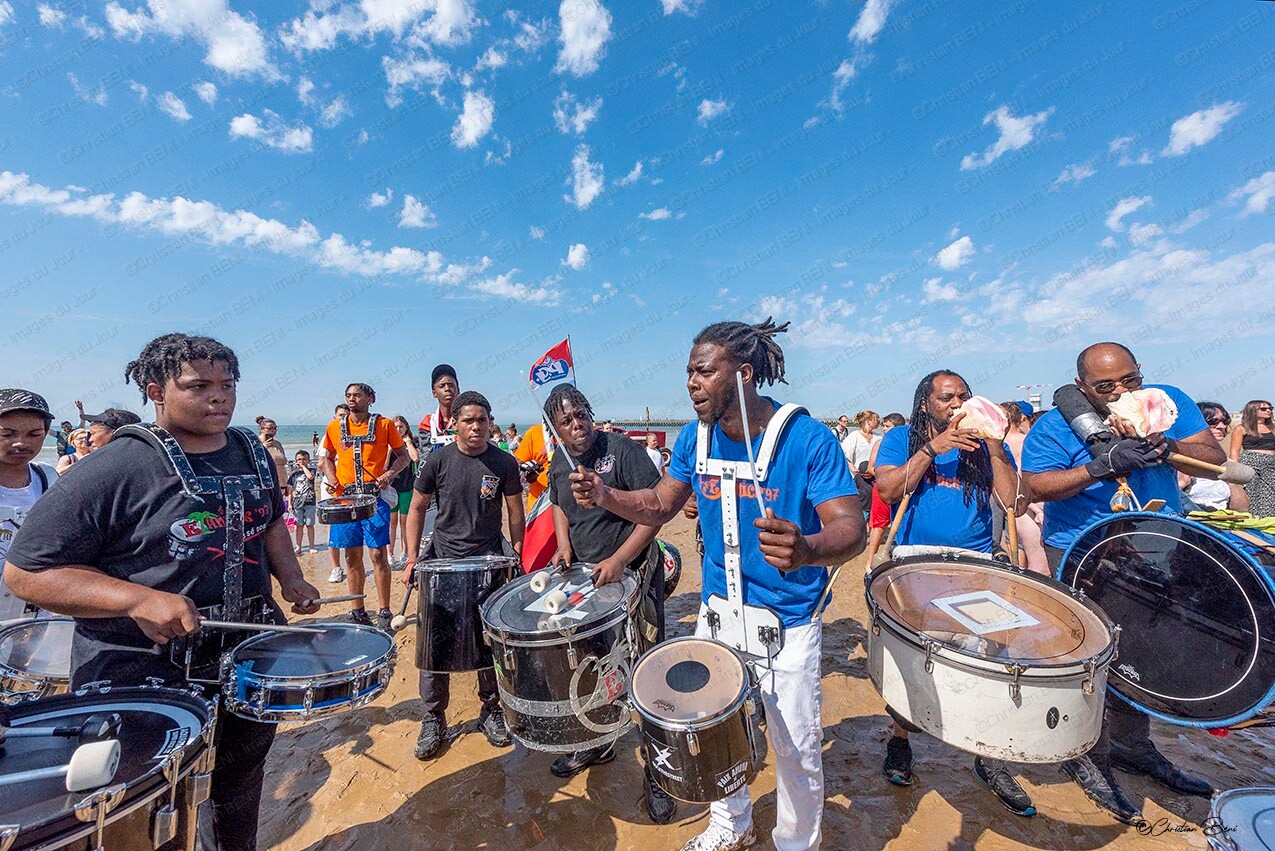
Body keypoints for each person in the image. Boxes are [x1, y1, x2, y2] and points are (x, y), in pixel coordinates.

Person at [3, 333, 321, 851]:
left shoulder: (252, 453)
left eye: (227, 385)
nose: (218, 397)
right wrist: (136, 599)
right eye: (198, 386)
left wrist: (291, 577)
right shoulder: (115, 466)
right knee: (148, 813)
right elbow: (26, 572)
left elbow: (270, 522)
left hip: (247, 656)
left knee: (238, 789)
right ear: (156, 391)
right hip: (142, 674)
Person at [570, 318, 865, 851]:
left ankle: (797, 842)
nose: (691, 382)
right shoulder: (693, 436)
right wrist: (606, 495)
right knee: (711, 733)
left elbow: (852, 528)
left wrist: (807, 549)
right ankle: (731, 825)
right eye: (688, 372)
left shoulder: (807, 438)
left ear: (744, 374)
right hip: (718, 614)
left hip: (787, 623)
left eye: (704, 371)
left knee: (795, 748)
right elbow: (660, 503)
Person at [1021, 341, 1222, 824]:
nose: (1120, 392)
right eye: (1105, 386)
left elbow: (1213, 457)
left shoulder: (1167, 402)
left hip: (1158, 545)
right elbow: (1035, 485)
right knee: (1091, 656)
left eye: (1130, 380)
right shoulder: (1055, 425)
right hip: (1084, 552)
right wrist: (1102, 466)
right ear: (1082, 386)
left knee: (1144, 653)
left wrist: (1168, 447)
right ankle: (1088, 754)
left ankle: (1134, 747)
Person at [873, 371, 1034, 816]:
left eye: (963, 396)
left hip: (976, 568)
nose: (957, 404)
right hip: (914, 565)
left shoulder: (986, 445)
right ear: (926, 403)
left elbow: (1015, 503)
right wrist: (934, 448)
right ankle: (901, 740)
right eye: (947, 398)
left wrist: (996, 447)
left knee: (990, 663)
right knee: (911, 661)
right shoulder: (901, 438)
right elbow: (886, 490)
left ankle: (989, 758)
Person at [542, 383, 676, 824]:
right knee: (591, 669)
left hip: (634, 574)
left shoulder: (623, 451)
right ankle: (596, 744)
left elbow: (655, 513)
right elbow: (559, 505)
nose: (577, 425)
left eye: (581, 414)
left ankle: (658, 774)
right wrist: (563, 545)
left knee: (646, 672)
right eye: (566, 421)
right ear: (556, 429)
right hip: (588, 583)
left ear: (590, 414)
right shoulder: (559, 461)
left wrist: (620, 559)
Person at [402, 391, 524, 761]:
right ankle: (433, 716)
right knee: (433, 642)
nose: (476, 426)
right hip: (442, 561)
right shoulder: (437, 460)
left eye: (482, 420)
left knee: (489, 640)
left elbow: (515, 510)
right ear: (454, 422)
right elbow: (417, 508)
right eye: (468, 420)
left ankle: (491, 709)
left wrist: (516, 552)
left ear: (490, 421)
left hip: (488, 560)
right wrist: (412, 559)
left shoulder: (504, 462)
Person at [320, 383, 410, 629]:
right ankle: (357, 610)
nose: (352, 399)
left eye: (357, 395)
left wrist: (388, 474)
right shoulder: (334, 427)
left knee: (378, 554)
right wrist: (331, 478)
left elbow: (404, 456)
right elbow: (326, 457)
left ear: (370, 399)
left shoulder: (384, 425)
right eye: (348, 395)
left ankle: (384, 610)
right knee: (351, 555)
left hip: (374, 498)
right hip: (345, 499)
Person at [0, 389, 59, 624]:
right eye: (7, 434)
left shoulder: (47, 477)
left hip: (31, 615)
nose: (20, 443)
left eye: (34, 434)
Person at [1000, 402, 1048, 575]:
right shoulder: (1028, 441)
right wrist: (1037, 510)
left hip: (1015, 504)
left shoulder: (1000, 444)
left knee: (1017, 551)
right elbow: (1022, 478)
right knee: (1040, 567)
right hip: (1030, 506)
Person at [1181, 402, 1248, 511]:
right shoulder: (1178, 460)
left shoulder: (1227, 464)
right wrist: (1181, 484)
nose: (1222, 426)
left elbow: (1242, 509)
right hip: (1186, 518)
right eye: (1213, 422)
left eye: (1225, 421)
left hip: (1218, 517)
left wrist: (1233, 482)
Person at [863, 412, 905, 564]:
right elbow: (870, 467)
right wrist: (888, 479)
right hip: (883, 488)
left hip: (904, 489)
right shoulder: (880, 443)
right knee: (880, 525)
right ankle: (870, 561)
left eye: (888, 426)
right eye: (884, 426)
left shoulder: (907, 443)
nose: (884, 429)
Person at [1229, 399, 1275, 517]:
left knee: (1270, 495)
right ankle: (1253, 521)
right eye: (1263, 409)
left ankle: (1268, 520)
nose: (1268, 411)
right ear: (1253, 410)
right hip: (1250, 463)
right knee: (1251, 494)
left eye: (1270, 408)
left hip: (1270, 465)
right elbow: (1234, 451)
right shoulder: (1242, 429)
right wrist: (1233, 472)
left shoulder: (1273, 428)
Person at [322, 403, 350, 584]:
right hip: (332, 486)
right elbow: (322, 461)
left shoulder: (353, 434)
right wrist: (333, 477)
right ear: (334, 417)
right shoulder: (331, 434)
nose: (343, 418)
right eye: (340, 415)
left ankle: (348, 565)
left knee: (348, 530)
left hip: (348, 489)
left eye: (346, 415)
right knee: (334, 531)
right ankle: (336, 567)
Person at [388, 415, 421, 566]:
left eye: (401, 426)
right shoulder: (388, 442)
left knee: (404, 522)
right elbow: (384, 465)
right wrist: (389, 450)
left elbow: (415, 458)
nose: (398, 429)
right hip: (391, 487)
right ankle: (389, 553)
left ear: (406, 427)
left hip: (407, 486)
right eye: (395, 427)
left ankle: (404, 553)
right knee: (392, 523)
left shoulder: (411, 442)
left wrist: (408, 443)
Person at [514, 418, 552, 511]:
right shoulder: (534, 433)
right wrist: (525, 472)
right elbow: (517, 465)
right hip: (540, 505)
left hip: (571, 504)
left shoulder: (576, 433)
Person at [286, 449, 318, 553]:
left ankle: (311, 546)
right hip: (297, 503)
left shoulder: (312, 470)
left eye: (304, 459)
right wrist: (289, 504)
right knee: (299, 525)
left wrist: (303, 467)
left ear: (308, 461)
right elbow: (290, 491)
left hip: (309, 502)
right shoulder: (293, 475)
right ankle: (298, 546)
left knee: (310, 525)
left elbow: (310, 477)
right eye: (299, 459)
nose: (301, 461)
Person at [256, 416, 288, 489]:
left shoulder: (277, 444)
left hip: (282, 482)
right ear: (261, 429)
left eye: (275, 428)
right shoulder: (256, 443)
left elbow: (283, 461)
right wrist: (262, 448)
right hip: (267, 483)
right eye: (269, 428)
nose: (273, 431)